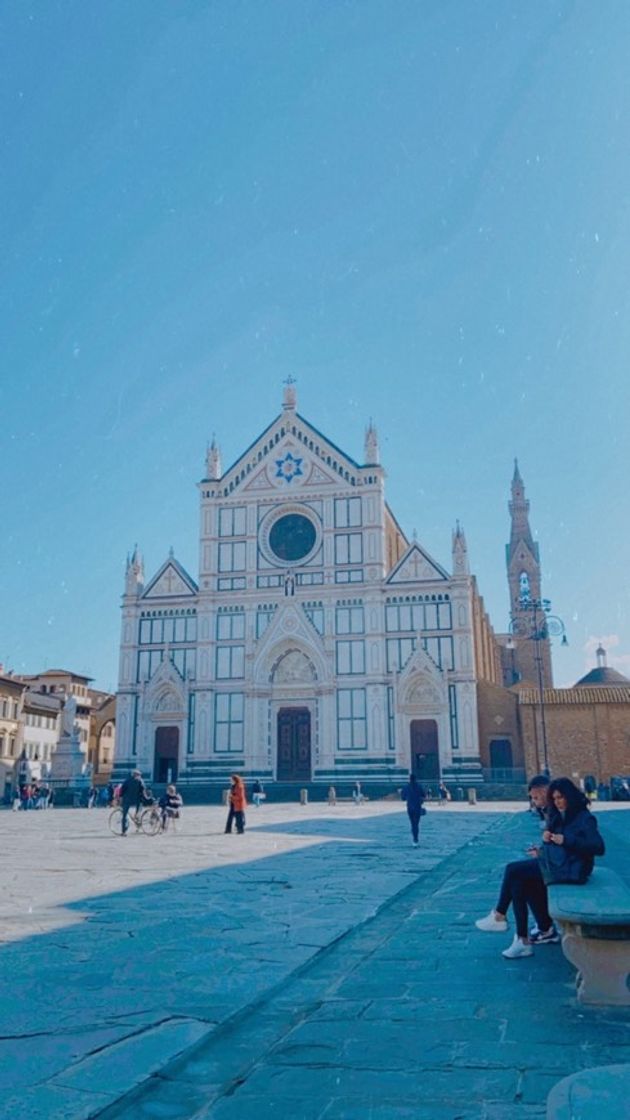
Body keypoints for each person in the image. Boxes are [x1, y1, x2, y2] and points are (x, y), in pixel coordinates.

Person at [476, 776, 605, 959]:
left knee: (513, 871)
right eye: (554, 799)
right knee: (521, 881)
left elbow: (598, 847)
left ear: (570, 796)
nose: (558, 802)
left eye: (561, 797)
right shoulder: (561, 815)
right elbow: (561, 846)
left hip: (575, 870)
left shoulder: (584, 818)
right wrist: (544, 849)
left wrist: (567, 840)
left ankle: (501, 917)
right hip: (562, 864)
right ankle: (523, 939)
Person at [119, 769, 146, 836]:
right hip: (137, 800)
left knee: (124, 815)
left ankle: (124, 831)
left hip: (127, 800)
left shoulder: (127, 781)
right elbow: (143, 790)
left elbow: (122, 790)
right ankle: (138, 825)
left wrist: (120, 797)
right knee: (137, 813)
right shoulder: (140, 781)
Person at [401, 774, 426, 846]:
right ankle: (415, 838)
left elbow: (403, 798)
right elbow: (424, 795)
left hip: (410, 807)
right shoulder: (419, 786)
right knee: (416, 823)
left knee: (412, 823)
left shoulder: (406, 787)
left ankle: (414, 837)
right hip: (417, 807)